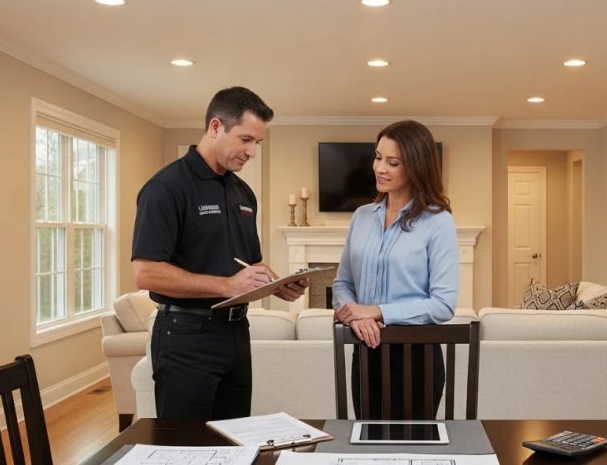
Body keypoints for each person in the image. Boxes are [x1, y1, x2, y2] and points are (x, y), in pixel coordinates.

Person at [131, 86, 307, 420]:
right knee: (186, 448)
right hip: (185, 337)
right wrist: (227, 287)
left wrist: (274, 282)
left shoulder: (243, 193)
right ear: (215, 127)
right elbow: (145, 273)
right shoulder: (166, 188)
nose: (252, 152)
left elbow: (248, 265)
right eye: (245, 140)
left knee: (234, 440)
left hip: (237, 335)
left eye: (258, 143)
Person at [331, 119, 459, 419]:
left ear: (415, 166)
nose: (379, 168)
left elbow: (443, 305)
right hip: (366, 351)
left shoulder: (438, 221)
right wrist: (355, 315)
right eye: (378, 157)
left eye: (393, 162)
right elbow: (342, 283)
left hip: (417, 359)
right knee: (367, 449)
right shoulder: (362, 217)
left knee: (413, 453)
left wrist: (375, 311)